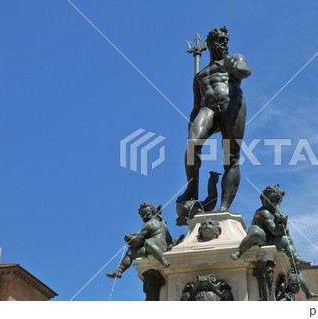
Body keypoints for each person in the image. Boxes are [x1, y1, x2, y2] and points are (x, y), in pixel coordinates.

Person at [177, 26, 251, 212]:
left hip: (232, 104)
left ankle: (224, 208)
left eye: (226, 41)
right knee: (192, 143)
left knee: (231, 157)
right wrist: (191, 123)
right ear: (209, 45)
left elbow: (245, 71)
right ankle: (191, 189)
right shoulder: (200, 75)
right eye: (219, 41)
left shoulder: (234, 59)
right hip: (208, 108)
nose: (224, 45)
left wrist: (232, 66)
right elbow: (196, 106)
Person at [106, 202, 170, 279]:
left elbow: (138, 241)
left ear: (152, 213)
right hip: (162, 246)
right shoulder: (162, 223)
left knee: (147, 243)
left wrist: (129, 240)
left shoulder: (148, 224)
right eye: (142, 215)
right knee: (131, 252)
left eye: (147, 214)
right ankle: (119, 271)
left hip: (156, 246)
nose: (144, 217)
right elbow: (168, 238)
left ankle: (163, 261)